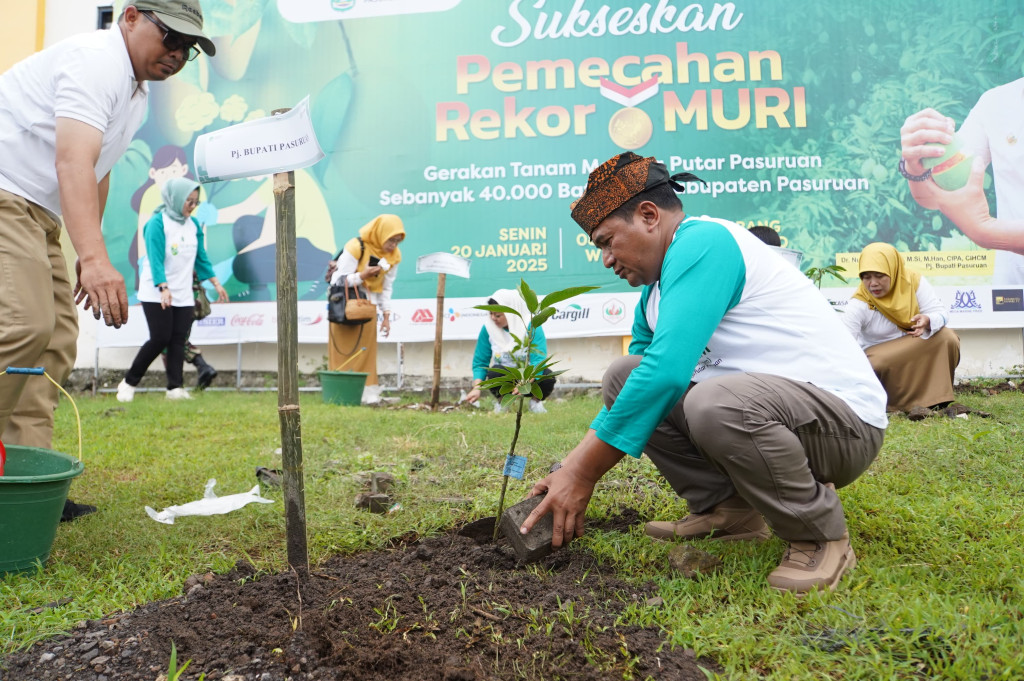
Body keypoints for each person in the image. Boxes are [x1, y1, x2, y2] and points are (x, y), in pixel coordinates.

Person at [518, 152, 888, 594]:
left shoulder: (703, 243)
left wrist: (581, 473)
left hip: (844, 427)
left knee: (713, 402)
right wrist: (568, 466)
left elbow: (666, 374)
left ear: (649, 215)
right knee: (624, 375)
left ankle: (818, 532)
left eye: (606, 240)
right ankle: (729, 509)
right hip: (773, 419)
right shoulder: (654, 296)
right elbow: (642, 388)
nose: (605, 258)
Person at [0, 0, 215, 520]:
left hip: (40, 213)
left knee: (54, 343)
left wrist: (84, 248)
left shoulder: (134, 95)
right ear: (133, 16)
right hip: (6, 193)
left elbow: (97, 170)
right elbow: (71, 157)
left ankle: (28, 483)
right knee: (23, 326)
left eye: (189, 49)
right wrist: (94, 259)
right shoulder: (97, 60)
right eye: (171, 38)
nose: (178, 54)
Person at [900, 81, 1024, 284]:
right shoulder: (996, 102)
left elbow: (983, 230)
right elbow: (937, 196)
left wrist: (986, 231)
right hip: (1013, 295)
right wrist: (916, 163)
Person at [116, 178, 227, 402]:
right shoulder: (157, 223)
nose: (192, 206)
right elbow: (155, 258)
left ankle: (175, 388)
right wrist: (163, 287)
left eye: (196, 202)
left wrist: (215, 282)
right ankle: (128, 383)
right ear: (175, 199)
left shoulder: (193, 225)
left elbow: (201, 258)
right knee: (159, 338)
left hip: (183, 293)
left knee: (178, 339)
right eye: (188, 201)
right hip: (156, 291)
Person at [842, 243, 960, 413]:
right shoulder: (859, 303)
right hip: (881, 360)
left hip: (912, 347)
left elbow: (941, 314)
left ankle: (936, 400)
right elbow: (844, 345)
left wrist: (928, 320)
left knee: (947, 338)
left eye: (879, 275)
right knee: (873, 363)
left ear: (893, 270)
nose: (873, 283)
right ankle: (889, 403)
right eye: (866, 277)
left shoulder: (913, 282)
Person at [327, 214, 404, 404]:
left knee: (365, 353)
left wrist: (386, 316)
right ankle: (339, 394)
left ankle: (367, 395)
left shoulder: (394, 257)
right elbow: (338, 279)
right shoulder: (356, 246)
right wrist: (362, 275)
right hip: (343, 308)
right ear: (380, 234)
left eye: (397, 241)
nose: (393, 245)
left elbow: (386, 289)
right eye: (390, 239)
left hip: (368, 310)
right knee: (343, 351)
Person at [464, 289, 556, 414]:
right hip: (506, 377)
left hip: (529, 378)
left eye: (498, 315)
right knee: (494, 373)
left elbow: (538, 359)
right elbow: (480, 361)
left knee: (547, 376)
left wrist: (525, 383)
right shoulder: (488, 329)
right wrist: (476, 388)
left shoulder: (531, 325)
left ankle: (535, 403)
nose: (493, 318)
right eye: (491, 314)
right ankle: (503, 402)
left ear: (512, 313)